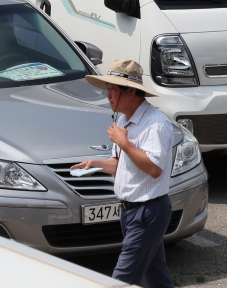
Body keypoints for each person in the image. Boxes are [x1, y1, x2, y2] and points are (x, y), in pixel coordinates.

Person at [72, 59, 175, 288]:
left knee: (121, 280)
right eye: (107, 89)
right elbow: (120, 163)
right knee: (156, 278)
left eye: (112, 90)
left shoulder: (155, 125)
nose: (108, 95)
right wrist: (95, 164)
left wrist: (124, 142)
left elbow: (154, 169)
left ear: (130, 91)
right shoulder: (122, 119)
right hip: (131, 212)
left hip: (148, 211)